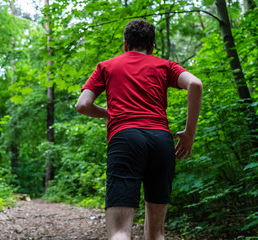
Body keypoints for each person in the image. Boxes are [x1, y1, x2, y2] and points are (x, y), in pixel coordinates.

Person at [75, 19, 203, 240]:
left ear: (125, 45)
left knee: (120, 232)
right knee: (156, 233)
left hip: (125, 139)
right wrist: (189, 134)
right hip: (162, 141)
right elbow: (195, 84)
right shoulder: (165, 66)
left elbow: (82, 105)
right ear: (152, 47)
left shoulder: (106, 66)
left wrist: (111, 112)